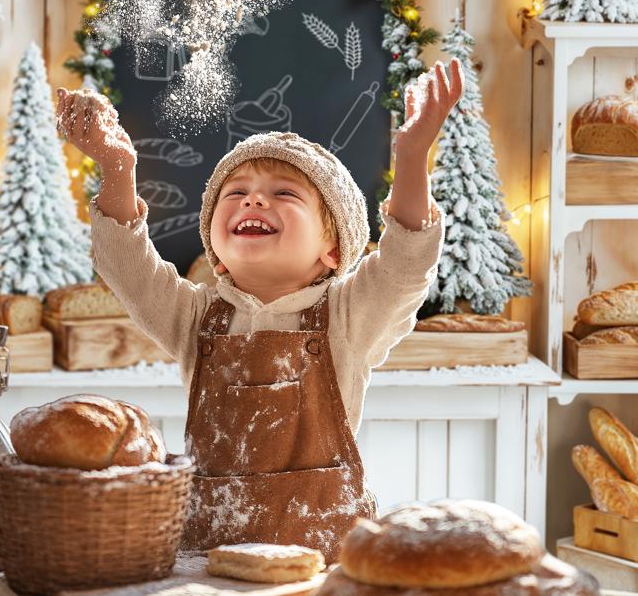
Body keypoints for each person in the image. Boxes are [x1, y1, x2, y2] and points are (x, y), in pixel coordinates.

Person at [55, 58, 464, 561]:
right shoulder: (195, 316)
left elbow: (405, 263)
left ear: (332, 250)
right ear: (215, 252)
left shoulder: (349, 317)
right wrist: (118, 168)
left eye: (283, 193)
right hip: (208, 558)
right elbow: (127, 267)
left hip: (321, 558)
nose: (253, 203)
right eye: (237, 193)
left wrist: (413, 154)